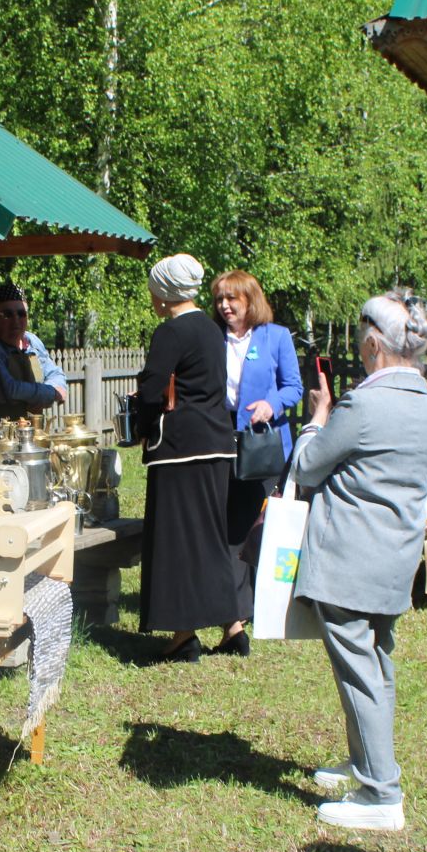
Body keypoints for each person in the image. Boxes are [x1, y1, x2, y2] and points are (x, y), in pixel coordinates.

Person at [291, 291, 427, 831]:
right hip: (395, 559)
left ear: (375, 343)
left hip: (348, 560)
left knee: (360, 673)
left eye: (361, 343)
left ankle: (381, 794)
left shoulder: (362, 405)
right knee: (375, 665)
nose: (359, 352)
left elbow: (309, 465)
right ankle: (366, 765)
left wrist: (318, 416)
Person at [136, 253, 238, 660]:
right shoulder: (214, 330)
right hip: (217, 442)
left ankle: (183, 634)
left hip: (179, 450)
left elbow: (150, 390)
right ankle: (233, 627)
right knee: (210, 538)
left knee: (177, 543)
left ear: (163, 292)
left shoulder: (171, 332)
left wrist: (142, 426)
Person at [214, 269, 304, 657]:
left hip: (265, 447)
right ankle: (237, 616)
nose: (225, 306)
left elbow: (295, 387)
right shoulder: (212, 338)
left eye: (232, 299)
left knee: (263, 525)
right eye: (219, 299)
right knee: (232, 528)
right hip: (224, 443)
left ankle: (274, 605)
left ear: (251, 300)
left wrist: (272, 404)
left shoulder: (276, 337)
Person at [0, 283, 69, 418]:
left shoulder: (32, 341)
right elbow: (8, 390)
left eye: (21, 313)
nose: (16, 321)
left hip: (34, 431)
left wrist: (38, 395)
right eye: (8, 314)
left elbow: (57, 374)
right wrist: (49, 394)